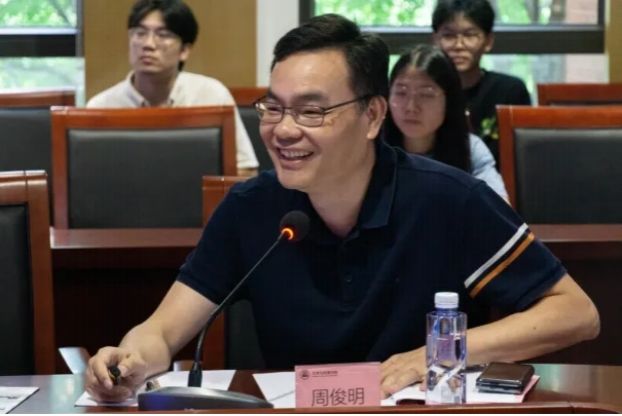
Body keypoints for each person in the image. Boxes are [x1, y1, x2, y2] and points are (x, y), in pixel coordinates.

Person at [85, 13, 599, 402]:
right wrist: (129, 360)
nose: (284, 130)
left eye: (312, 111)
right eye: (273, 107)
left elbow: (575, 312)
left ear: (373, 116)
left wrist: (430, 356)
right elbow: (162, 331)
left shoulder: (448, 199)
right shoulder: (250, 208)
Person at [87, 0, 258, 175]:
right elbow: (89, 176)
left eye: (163, 35)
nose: (148, 44)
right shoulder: (100, 108)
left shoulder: (212, 96)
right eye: (140, 33)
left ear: (184, 50)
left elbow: (246, 169)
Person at [384, 44, 508, 200]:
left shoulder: (470, 149)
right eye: (401, 93)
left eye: (426, 94)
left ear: (449, 101)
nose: (411, 107)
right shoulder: (369, 148)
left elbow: (499, 208)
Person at [432, 0, 531, 164]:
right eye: (449, 35)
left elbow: (525, 158)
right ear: (435, 40)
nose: (459, 45)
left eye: (469, 35)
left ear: (488, 41)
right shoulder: (426, 93)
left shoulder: (510, 91)